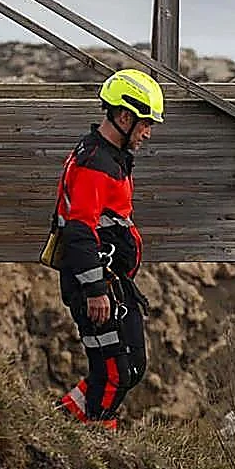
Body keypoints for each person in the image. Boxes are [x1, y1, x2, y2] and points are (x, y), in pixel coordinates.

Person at [52, 69, 163, 431]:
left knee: (126, 368)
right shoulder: (96, 164)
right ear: (124, 117)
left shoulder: (110, 157)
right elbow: (79, 231)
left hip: (111, 282)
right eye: (145, 123)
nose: (148, 133)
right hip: (97, 287)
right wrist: (95, 289)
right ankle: (98, 441)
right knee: (117, 372)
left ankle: (60, 423)